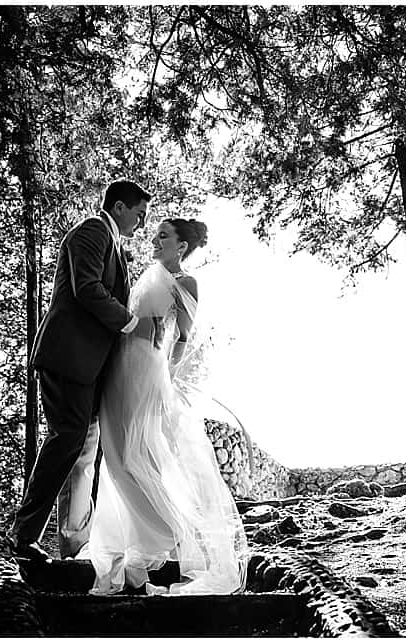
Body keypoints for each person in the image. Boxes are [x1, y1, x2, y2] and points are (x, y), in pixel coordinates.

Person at [82, 218, 249, 595]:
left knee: (135, 452)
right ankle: (135, 538)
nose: (154, 240)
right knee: (114, 452)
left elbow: (183, 336)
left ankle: (169, 531)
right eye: (155, 234)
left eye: (163, 236)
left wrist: (166, 373)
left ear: (182, 246)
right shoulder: (145, 274)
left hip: (146, 368)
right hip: (117, 365)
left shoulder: (185, 282)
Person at [7, 180, 160, 562]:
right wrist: (132, 323)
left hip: (92, 367)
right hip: (68, 358)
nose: (141, 224)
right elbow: (87, 289)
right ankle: (22, 535)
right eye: (139, 215)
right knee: (68, 440)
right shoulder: (90, 230)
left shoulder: (116, 247)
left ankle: (73, 545)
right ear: (120, 207)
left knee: (85, 452)